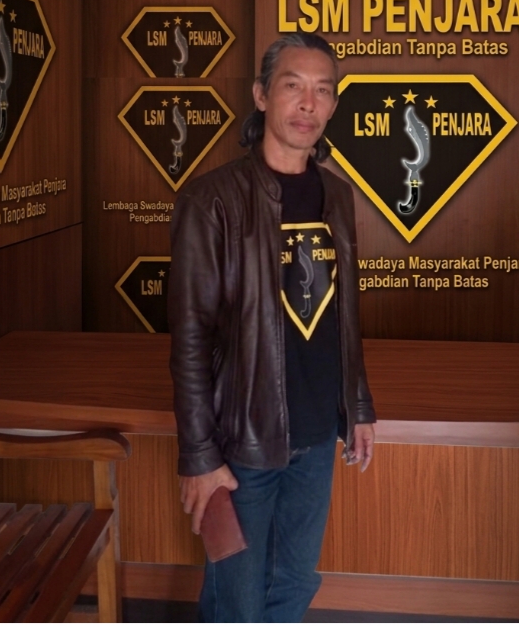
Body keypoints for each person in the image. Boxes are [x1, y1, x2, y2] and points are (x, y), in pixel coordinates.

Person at [168, 32, 376, 623]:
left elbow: (342, 314)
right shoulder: (212, 200)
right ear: (261, 96)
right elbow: (190, 340)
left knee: (295, 583)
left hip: (316, 435)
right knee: (237, 599)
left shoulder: (337, 195)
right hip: (243, 444)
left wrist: (358, 405)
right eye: (293, 86)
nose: (308, 103)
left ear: (333, 106)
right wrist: (200, 456)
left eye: (323, 90)